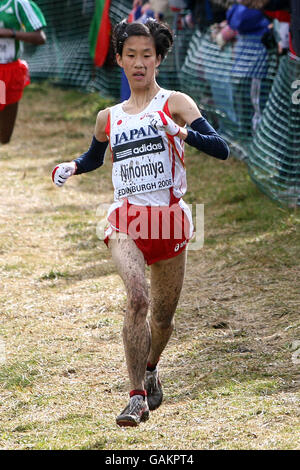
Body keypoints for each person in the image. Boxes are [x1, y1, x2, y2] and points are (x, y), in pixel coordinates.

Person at [52, 19, 229, 427]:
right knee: (137, 299)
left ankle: (151, 367)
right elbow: (94, 158)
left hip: (169, 224)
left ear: (159, 59)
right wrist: (72, 167)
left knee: (162, 320)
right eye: (130, 55)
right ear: (118, 59)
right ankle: (135, 398)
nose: (138, 63)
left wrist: (180, 132)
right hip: (126, 221)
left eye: (146, 55)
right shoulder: (107, 117)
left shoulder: (176, 103)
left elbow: (221, 149)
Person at [0, 0, 46, 144]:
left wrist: (10, 33)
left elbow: (40, 38)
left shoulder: (18, 3)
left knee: (4, 136)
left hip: (9, 72)